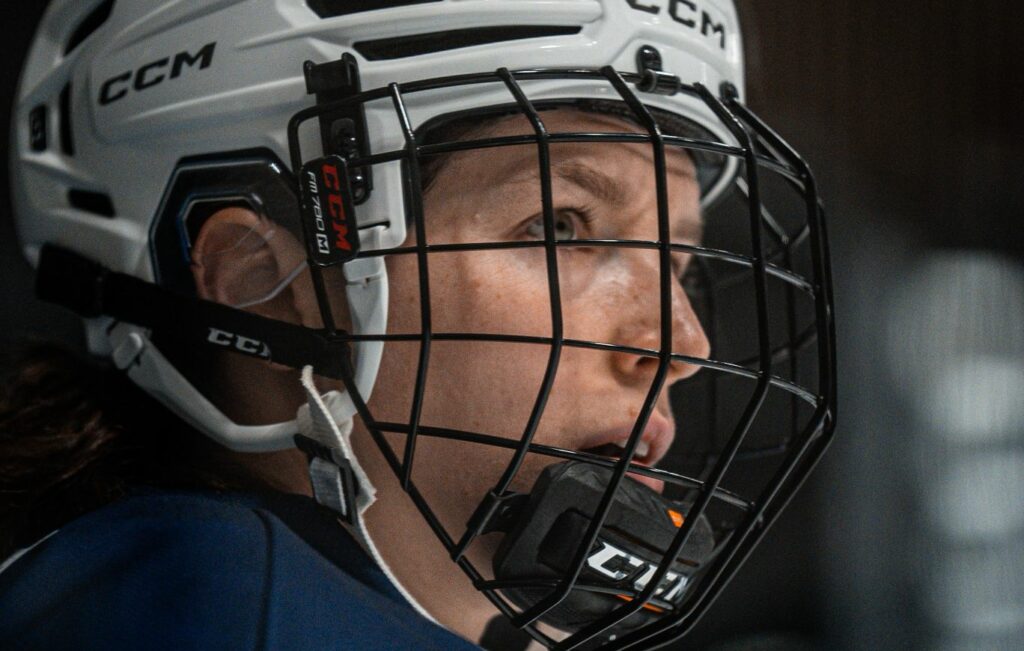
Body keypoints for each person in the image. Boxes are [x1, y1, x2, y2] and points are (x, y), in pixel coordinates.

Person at [1, 0, 836, 649]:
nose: (681, 345)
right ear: (262, 285)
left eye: (679, 261)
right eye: (559, 228)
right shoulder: (225, 606)